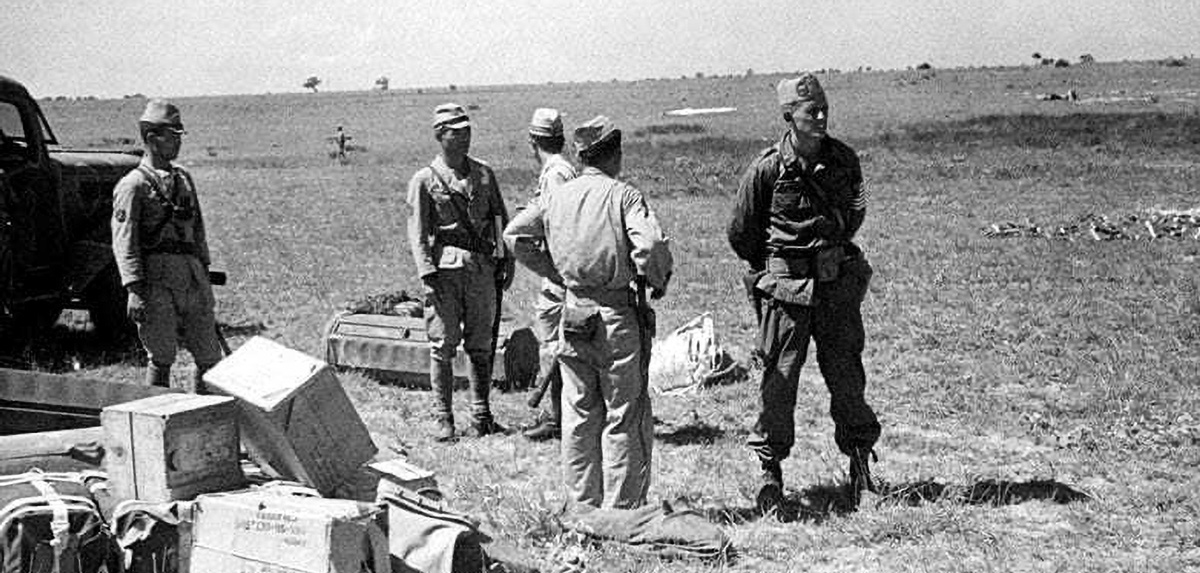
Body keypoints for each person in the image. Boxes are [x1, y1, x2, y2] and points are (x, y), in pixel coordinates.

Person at [727, 73, 881, 516]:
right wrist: (783, 268)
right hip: (788, 294)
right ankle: (770, 475)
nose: (820, 116)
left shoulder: (845, 160)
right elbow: (742, 233)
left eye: (824, 108)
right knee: (779, 384)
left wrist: (827, 257)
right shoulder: (767, 168)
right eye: (810, 111)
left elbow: (855, 211)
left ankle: (859, 466)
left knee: (848, 377)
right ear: (787, 116)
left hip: (835, 290)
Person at [505, 116, 672, 509]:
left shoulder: (557, 195)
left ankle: (582, 508)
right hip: (616, 317)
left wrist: (557, 275)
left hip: (573, 314)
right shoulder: (624, 196)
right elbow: (648, 248)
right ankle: (623, 511)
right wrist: (658, 280)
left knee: (578, 415)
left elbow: (516, 235)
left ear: (581, 154)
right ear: (615, 153)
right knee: (624, 416)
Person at [407, 103, 514, 442]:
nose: (464, 137)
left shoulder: (483, 173)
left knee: (481, 344)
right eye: (456, 132)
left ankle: (481, 415)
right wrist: (427, 273)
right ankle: (444, 418)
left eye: (467, 131)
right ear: (440, 135)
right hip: (445, 272)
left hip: (481, 269)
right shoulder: (425, 179)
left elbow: (499, 219)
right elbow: (418, 231)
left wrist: (504, 261)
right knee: (442, 344)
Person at [112, 99, 222, 392]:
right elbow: (125, 241)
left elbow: (197, 231)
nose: (177, 143)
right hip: (156, 282)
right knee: (161, 357)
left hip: (192, 277)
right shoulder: (132, 186)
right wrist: (134, 290)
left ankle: (203, 418)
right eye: (170, 136)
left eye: (178, 136)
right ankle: (156, 420)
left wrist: (205, 273)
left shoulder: (183, 179)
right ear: (151, 138)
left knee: (210, 356)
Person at [521, 108, 577, 442]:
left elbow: (557, 221)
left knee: (555, 343)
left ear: (533, 141)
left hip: (558, 269)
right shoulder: (562, 170)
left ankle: (558, 419)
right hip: (561, 265)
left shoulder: (555, 173)